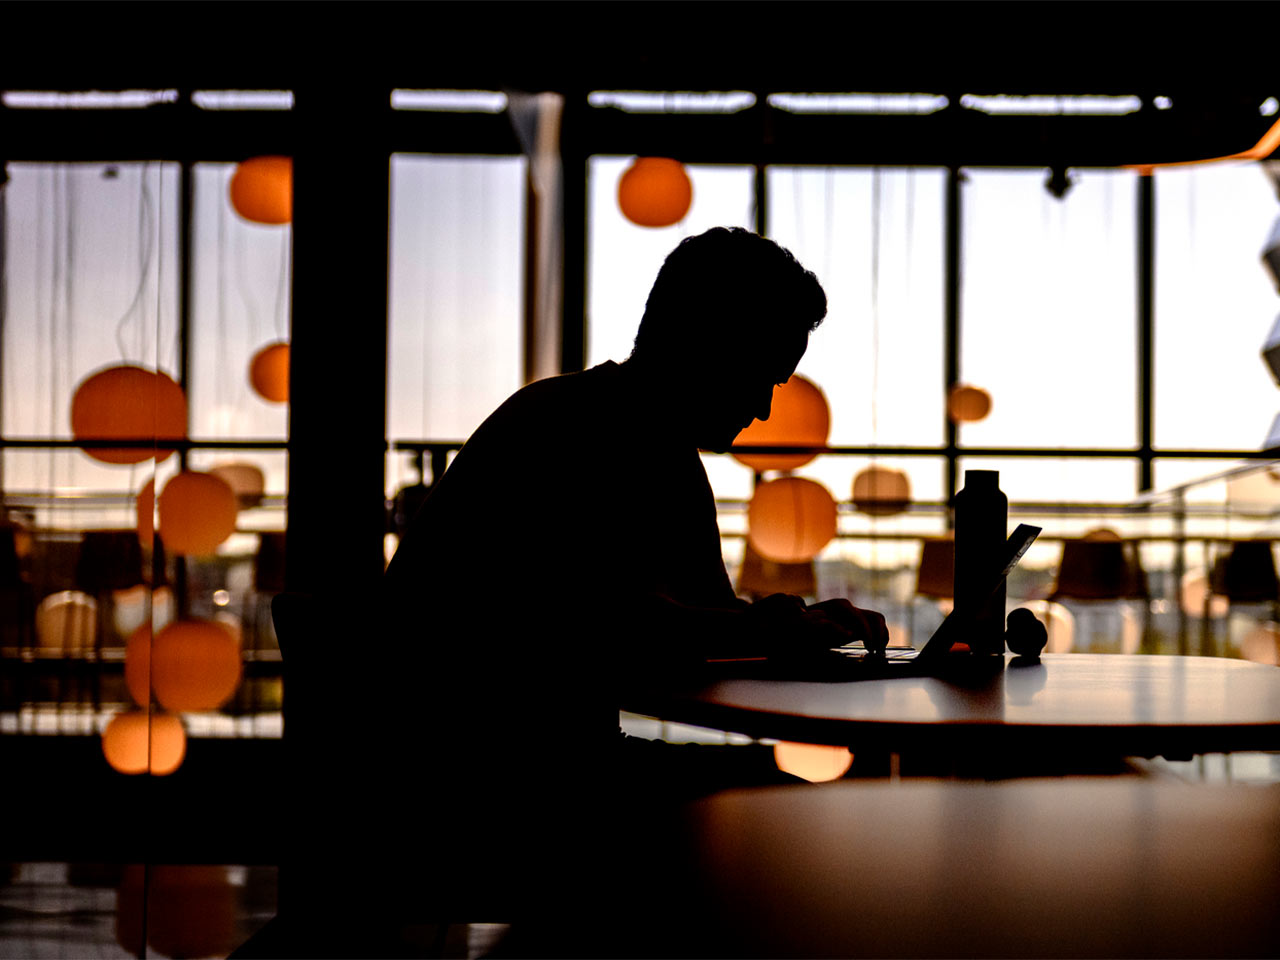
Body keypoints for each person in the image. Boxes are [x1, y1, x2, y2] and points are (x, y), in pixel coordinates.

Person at [378, 226, 887, 935]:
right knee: (801, 828)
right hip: (500, 792)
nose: (766, 408)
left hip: (457, 773)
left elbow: (669, 620)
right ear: (709, 341)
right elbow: (607, 626)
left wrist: (776, 623)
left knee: (793, 817)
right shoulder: (595, 437)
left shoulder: (587, 420)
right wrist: (768, 627)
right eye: (764, 374)